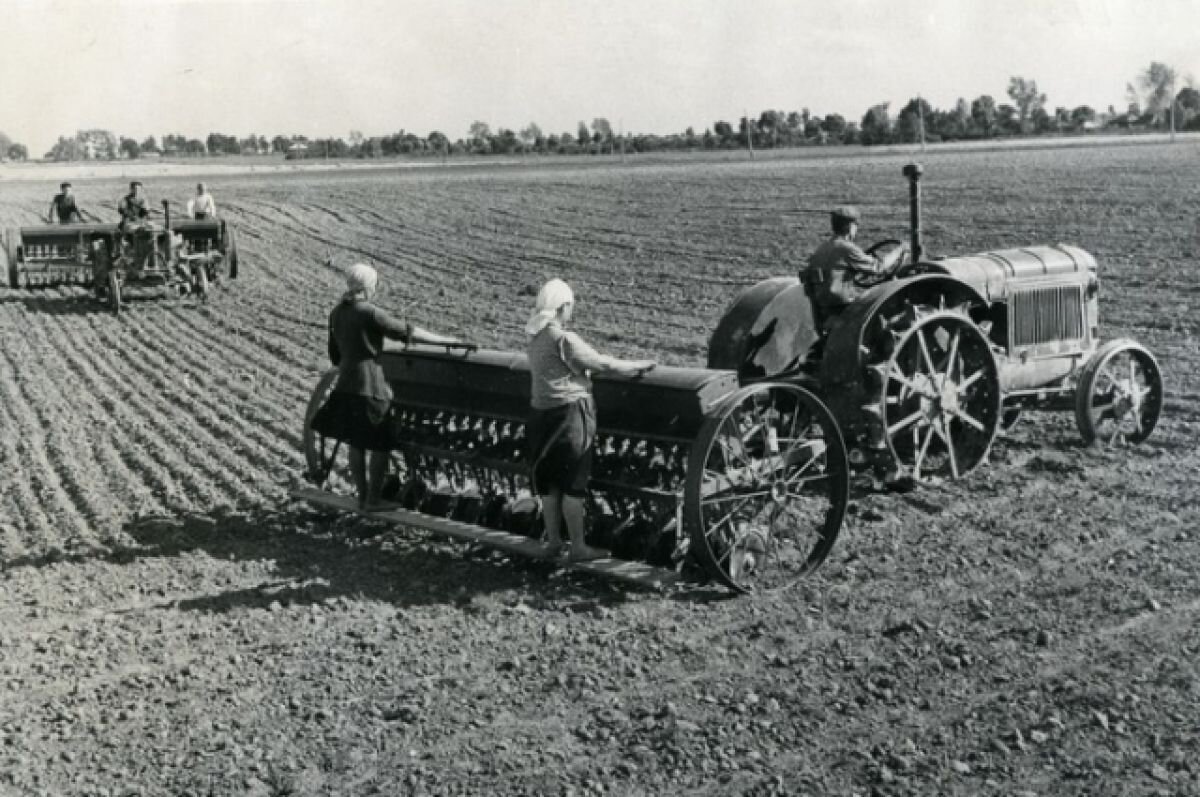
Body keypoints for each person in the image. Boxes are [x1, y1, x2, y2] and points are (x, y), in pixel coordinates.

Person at [311, 262, 461, 511]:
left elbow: (335, 356)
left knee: (356, 443)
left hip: (345, 385)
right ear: (369, 287)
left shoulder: (337, 313)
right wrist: (447, 341)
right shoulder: (369, 312)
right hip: (370, 387)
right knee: (381, 444)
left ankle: (362, 498)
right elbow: (406, 332)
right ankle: (373, 500)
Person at [525, 278, 656, 561]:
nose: (571, 312)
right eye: (570, 307)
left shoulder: (534, 339)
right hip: (569, 416)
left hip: (540, 417)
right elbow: (603, 364)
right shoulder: (563, 339)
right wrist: (637, 365)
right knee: (573, 483)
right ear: (562, 308)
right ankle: (579, 547)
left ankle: (553, 543)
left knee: (549, 484)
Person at [801, 205, 907, 331]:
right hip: (845, 308)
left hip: (825, 311)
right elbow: (878, 267)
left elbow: (832, 275)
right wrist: (900, 251)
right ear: (850, 227)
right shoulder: (846, 249)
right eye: (856, 225)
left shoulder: (822, 249)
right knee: (895, 309)